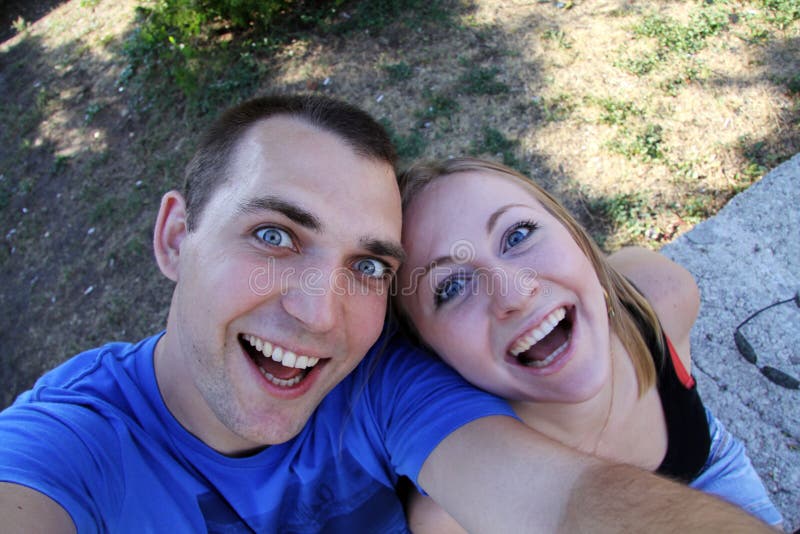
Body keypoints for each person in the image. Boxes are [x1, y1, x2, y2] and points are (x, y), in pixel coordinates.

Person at [0, 95, 774, 533]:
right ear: (176, 236)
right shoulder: (69, 449)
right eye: (274, 234)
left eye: (367, 265)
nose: (317, 314)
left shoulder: (382, 384)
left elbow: (560, 501)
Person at [394, 157, 784, 532]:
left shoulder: (662, 297)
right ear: (431, 353)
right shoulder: (457, 512)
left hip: (714, 472)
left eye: (517, 236)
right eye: (452, 286)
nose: (515, 294)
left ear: (575, 236)